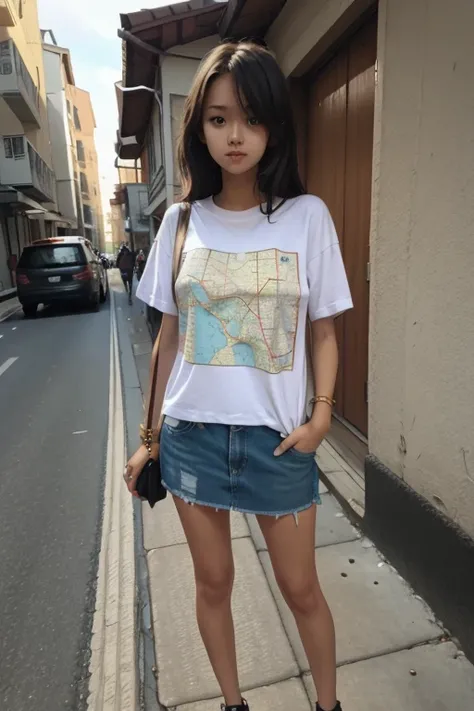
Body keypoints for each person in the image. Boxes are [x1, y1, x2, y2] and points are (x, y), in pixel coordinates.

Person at [126, 41, 353, 711]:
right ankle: (232, 702)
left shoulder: (306, 217)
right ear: (200, 124)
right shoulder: (180, 221)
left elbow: (326, 329)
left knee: (302, 587)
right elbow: (168, 336)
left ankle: (328, 704)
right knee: (214, 582)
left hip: (277, 442)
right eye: (220, 118)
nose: (235, 135)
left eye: (251, 119)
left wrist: (320, 417)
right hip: (193, 435)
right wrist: (152, 434)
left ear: (274, 126)